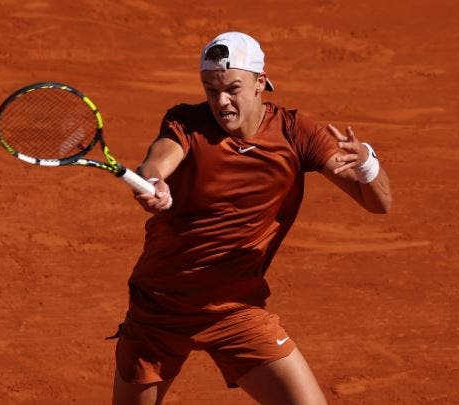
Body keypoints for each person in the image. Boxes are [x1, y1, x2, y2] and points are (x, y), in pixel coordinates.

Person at [110, 31, 392, 405]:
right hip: (160, 308)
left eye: (232, 88)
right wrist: (154, 183)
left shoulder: (296, 133)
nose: (220, 101)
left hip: (235, 310)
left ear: (261, 83)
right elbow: (158, 160)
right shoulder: (187, 123)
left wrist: (368, 164)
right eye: (210, 89)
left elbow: (378, 204)